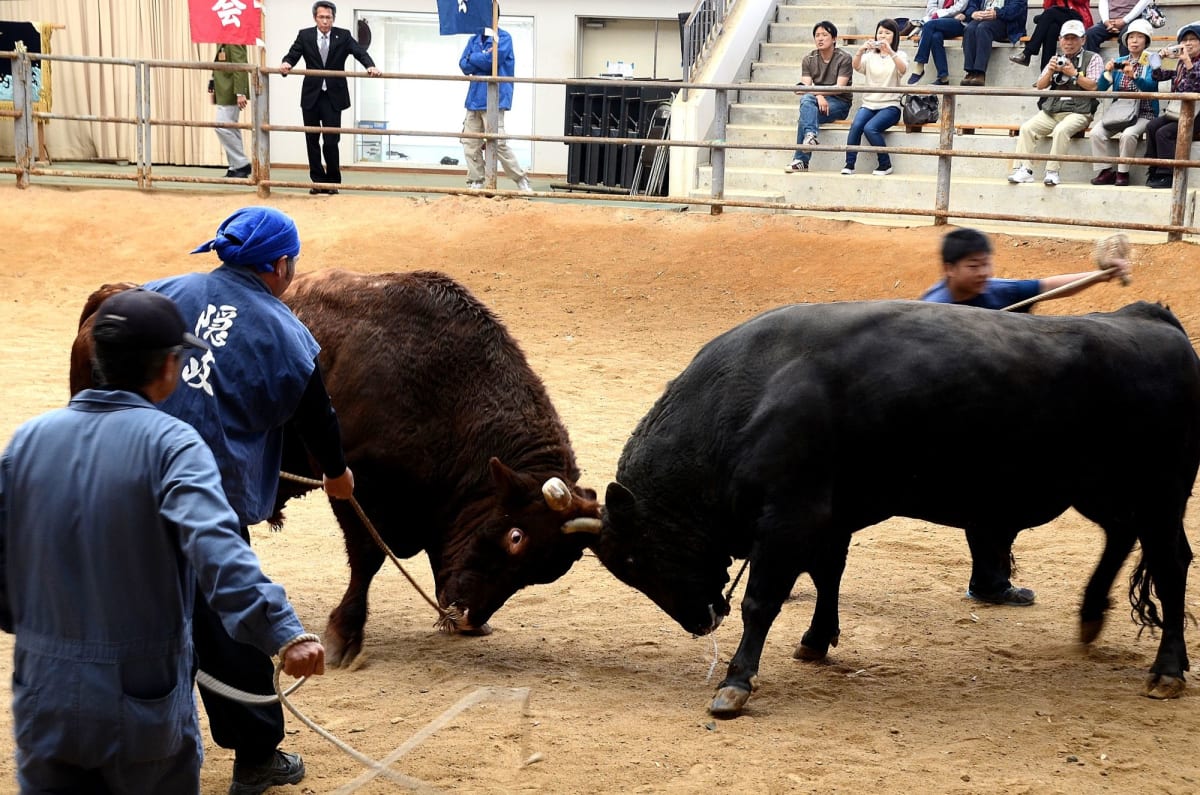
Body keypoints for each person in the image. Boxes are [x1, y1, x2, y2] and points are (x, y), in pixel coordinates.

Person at [0, 288, 327, 793]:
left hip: (45, 690)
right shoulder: (173, 445)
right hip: (139, 696)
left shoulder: (27, 440)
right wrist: (283, 631)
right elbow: (218, 548)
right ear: (168, 368)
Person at [143, 206, 355, 795]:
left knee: (133, 602)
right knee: (227, 612)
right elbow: (318, 419)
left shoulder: (158, 295)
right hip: (208, 490)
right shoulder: (290, 336)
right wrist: (337, 475)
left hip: (127, 473)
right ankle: (258, 756)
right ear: (282, 265)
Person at [919, 228, 1131, 606]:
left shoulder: (996, 293)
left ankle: (989, 583)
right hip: (942, 425)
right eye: (974, 265)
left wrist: (1100, 274)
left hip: (993, 423)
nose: (983, 272)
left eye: (987, 263)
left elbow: (1049, 285)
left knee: (995, 503)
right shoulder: (930, 313)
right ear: (949, 269)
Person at [279, 1, 382, 194]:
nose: (325, 21)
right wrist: (286, 63)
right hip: (311, 95)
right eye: (321, 17)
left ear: (333, 18)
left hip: (333, 95)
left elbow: (359, 52)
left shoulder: (343, 36)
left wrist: (370, 65)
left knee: (331, 140)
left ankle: (333, 182)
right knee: (312, 139)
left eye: (328, 17)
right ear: (315, 18)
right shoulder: (305, 35)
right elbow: (293, 54)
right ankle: (317, 182)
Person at [1007, 20, 1102, 186]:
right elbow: (1041, 86)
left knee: (1060, 130)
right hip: (1053, 110)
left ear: (1083, 40)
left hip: (1080, 111)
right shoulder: (1055, 59)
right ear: (1060, 40)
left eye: (1074, 38)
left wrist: (1073, 73)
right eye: (1066, 38)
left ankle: (1052, 172)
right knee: (1027, 128)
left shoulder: (1093, 58)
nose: (1069, 43)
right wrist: (1050, 71)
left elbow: (1094, 86)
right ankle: (1024, 169)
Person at [459, 17, 533, 192]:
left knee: (498, 143)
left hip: (495, 98)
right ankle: (476, 180)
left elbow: (493, 61)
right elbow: (463, 64)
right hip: (474, 99)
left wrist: (474, 58)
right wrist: (481, 57)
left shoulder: (504, 38)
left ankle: (521, 179)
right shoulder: (474, 39)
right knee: (469, 142)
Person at [1090, 19, 1159, 186]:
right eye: (1130, 37)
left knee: (1128, 134)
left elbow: (1151, 87)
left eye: (1139, 37)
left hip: (1145, 111)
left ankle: (1122, 173)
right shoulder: (1120, 59)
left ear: (1146, 41)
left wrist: (1134, 76)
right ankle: (1105, 171)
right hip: (1121, 110)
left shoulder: (1154, 59)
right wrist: (1107, 72)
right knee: (1095, 133)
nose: (1134, 41)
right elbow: (1100, 87)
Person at [842, 19, 907, 176]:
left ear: (894, 36)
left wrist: (890, 52)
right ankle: (849, 164)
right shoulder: (870, 56)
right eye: (880, 32)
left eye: (887, 33)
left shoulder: (900, 55)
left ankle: (885, 164)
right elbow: (856, 66)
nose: (883, 35)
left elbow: (903, 69)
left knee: (870, 128)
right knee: (856, 126)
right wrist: (861, 50)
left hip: (890, 105)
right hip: (869, 104)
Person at [786, 20, 854, 173]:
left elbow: (839, 88)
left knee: (805, 114)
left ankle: (801, 160)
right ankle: (810, 136)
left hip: (840, 103)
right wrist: (818, 95)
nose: (820, 38)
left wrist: (817, 93)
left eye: (825, 35)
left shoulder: (844, 58)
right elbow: (805, 87)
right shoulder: (809, 59)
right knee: (806, 102)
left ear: (834, 38)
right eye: (817, 35)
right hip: (817, 101)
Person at [1144, 23, 1200, 189]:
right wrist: (1157, 60)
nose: (1188, 43)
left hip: (1197, 114)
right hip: (1179, 111)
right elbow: (1159, 76)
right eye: (1184, 40)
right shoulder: (1180, 62)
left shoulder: (1188, 62)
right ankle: (1154, 167)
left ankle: (1167, 175)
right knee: (1152, 126)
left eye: (1193, 40)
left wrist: (1188, 63)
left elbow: (1193, 88)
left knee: (1164, 133)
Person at [209, 42, 252, 179]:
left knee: (221, 126)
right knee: (230, 127)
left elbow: (240, 64)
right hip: (223, 88)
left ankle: (241, 163)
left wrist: (240, 92)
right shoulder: (223, 36)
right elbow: (219, 60)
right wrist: (213, 81)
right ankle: (234, 166)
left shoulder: (234, 37)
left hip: (231, 90)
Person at [1010, 0, 1094, 70]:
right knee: (1051, 28)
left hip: (1076, 17)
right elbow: (1047, 6)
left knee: (1047, 15)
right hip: (1057, 17)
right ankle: (1045, 73)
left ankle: (1028, 53)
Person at [960, 0, 1028, 85]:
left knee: (983, 28)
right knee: (969, 29)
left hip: (1004, 21)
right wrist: (973, 13)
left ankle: (980, 72)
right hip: (982, 17)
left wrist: (997, 13)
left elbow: (1016, 9)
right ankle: (970, 71)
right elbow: (971, 5)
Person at [905, 0, 971, 86]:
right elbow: (930, 9)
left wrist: (940, 14)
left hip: (957, 22)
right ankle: (943, 78)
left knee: (929, 25)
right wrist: (940, 15)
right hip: (938, 21)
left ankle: (920, 65)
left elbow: (960, 7)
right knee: (935, 36)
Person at [1084, 0, 1153, 56]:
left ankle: (1125, 68)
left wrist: (1125, 20)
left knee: (1127, 36)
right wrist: (1106, 21)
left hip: (1132, 20)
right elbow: (1103, 1)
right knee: (1090, 34)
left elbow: (1145, 1)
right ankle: (1089, 68)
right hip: (1109, 21)